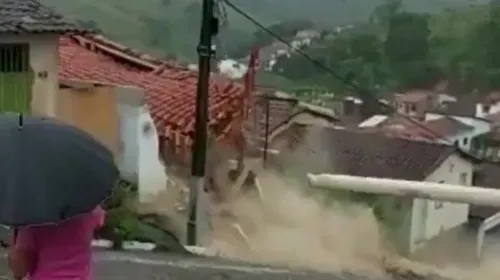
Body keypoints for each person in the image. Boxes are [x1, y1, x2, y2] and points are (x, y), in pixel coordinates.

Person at [8, 206, 105, 280]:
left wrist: (16, 238)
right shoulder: (89, 207)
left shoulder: (33, 218)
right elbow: (100, 221)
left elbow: (19, 270)